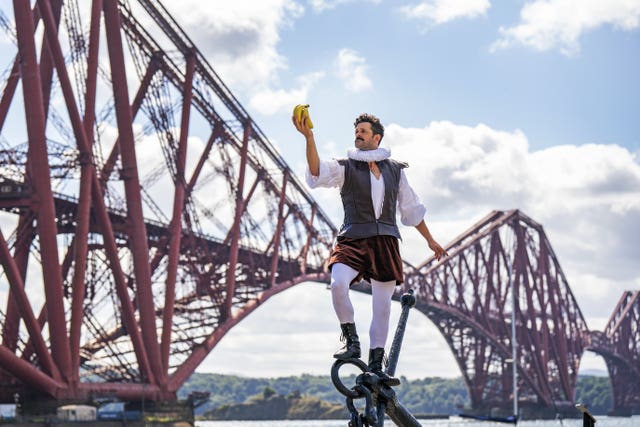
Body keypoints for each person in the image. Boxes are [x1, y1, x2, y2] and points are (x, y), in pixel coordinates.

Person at [292, 111, 447, 384]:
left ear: (376, 137)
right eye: (357, 131)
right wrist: (309, 137)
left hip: (385, 240)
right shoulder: (345, 166)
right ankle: (351, 341)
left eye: (363, 131)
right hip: (353, 238)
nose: (358, 135)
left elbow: (411, 210)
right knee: (338, 283)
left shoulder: (395, 170)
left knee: (383, 307)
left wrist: (430, 240)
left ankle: (376, 365)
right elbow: (316, 172)